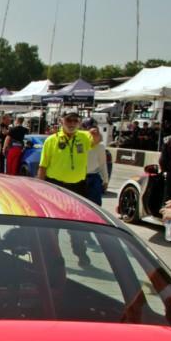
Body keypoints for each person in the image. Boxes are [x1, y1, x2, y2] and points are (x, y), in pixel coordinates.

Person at [38, 108, 94, 267]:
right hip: (55, 187)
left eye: (75, 121)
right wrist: (40, 189)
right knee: (53, 225)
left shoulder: (84, 137)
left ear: (79, 123)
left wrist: (97, 134)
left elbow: (96, 140)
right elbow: (43, 166)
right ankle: (54, 257)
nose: (72, 123)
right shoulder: (51, 140)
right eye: (68, 120)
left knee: (77, 224)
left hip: (78, 187)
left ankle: (81, 254)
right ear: (61, 121)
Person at [84, 124, 109, 206]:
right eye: (92, 133)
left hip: (93, 178)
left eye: (96, 133)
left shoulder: (101, 147)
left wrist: (105, 180)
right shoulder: (81, 145)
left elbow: (103, 164)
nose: (94, 134)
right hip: (80, 178)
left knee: (95, 205)